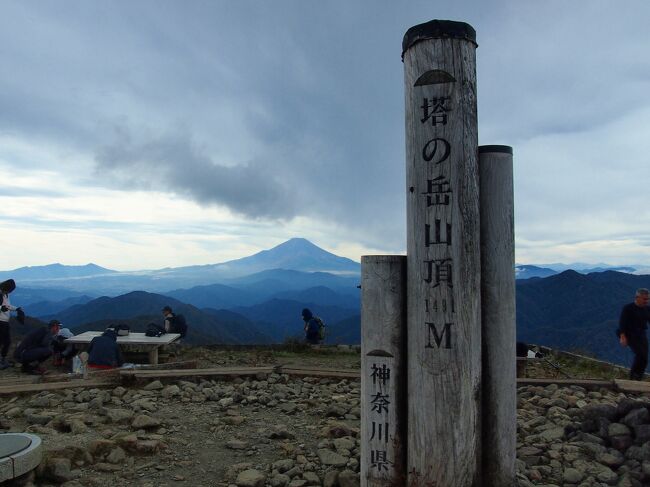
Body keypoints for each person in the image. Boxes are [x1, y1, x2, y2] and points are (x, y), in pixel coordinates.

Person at [617, 288, 650, 380]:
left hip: (641, 334)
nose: (646, 301)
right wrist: (623, 337)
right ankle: (632, 378)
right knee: (640, 354)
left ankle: (638, 377)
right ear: (637, 297)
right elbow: (622, 323)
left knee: (644, 358)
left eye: (648, 299)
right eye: (644, 299)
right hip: (629, 334)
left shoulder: (647, 309)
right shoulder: (628, 308)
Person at [0, 279, 20, 370]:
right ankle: (1, 360)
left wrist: (17, 309)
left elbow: (7, 306)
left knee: (7, 342)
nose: (10, 292)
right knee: (2, 342)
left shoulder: (6, 295)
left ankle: (3, 359)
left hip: (5, 321)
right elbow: (2, 307)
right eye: (9, 290)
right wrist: (1, 308)